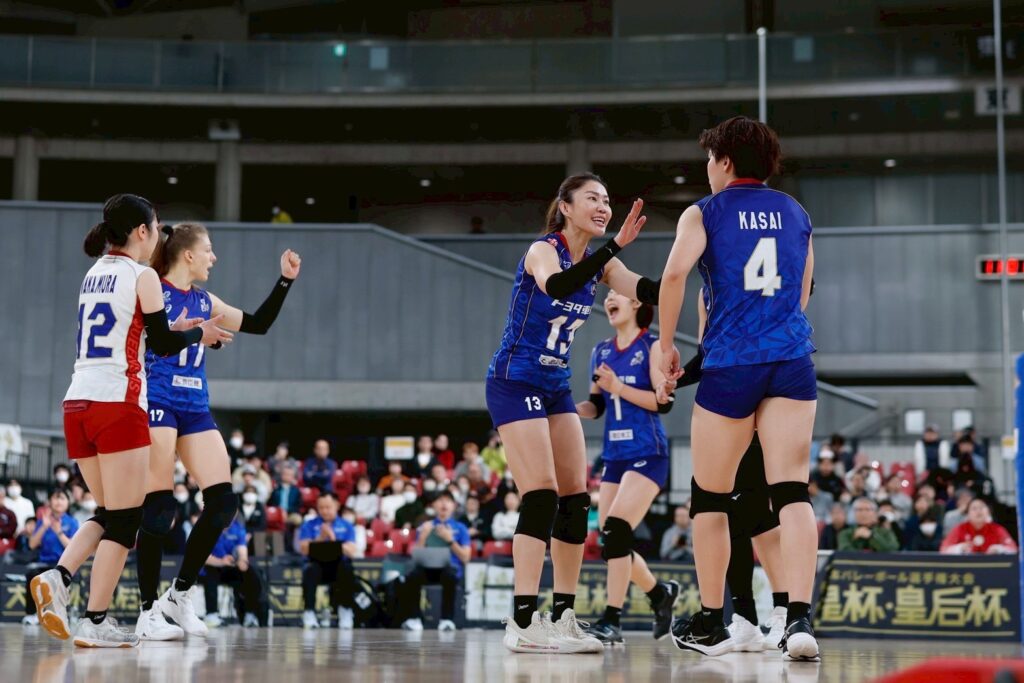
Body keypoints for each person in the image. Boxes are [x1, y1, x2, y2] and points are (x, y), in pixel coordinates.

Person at [31, 195, 229, 648]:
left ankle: (60, 577)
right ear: (142, 231)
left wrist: (182, 331)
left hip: (77, 402)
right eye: (156, 227)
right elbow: (160, 343)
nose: (159, 235)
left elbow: (144, 333)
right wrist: (200, 333)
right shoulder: (144, 276)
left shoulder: (94, 272)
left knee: (110, 514)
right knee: (127, 520)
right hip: (118, 404)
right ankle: (94, 619)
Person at [657, 117, 820, 660]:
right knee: (791, 492)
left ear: (725, 160)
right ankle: (798, 621)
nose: (708, 168)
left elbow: (674, 276)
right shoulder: (796, 212)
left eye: (710, 159)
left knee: (709, 497)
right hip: (791, 359)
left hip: (732, 363)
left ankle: (712, 620)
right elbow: (802, 292)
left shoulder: (704, 211)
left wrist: (665, 346)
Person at [486, 172, 657, 654]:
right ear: (565, 206)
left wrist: (702, 273)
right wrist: (614, 246)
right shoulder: (544, 250)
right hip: (515, 380)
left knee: (576, 501)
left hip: (555, 384)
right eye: (592, 199)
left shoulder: (603, 265)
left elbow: (645, 289)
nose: (603, 207)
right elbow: (558, 286)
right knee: (541, 495)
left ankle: (563, 616)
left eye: (607, 200)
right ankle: (522, 620)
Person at [112, 221, 297, 641]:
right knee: (159, 510)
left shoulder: (205, 300)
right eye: (208, 249)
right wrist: (193, 333)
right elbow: (146, 341)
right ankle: (147, 612)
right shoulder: (152, 289)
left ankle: (179, 594)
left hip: (195, 405)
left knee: (223, 504)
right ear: (188, 254)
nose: (214, 257)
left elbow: (258, 323)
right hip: (157, 400)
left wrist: (285, 280)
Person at [575, 289, 680, 645]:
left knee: (618, 529)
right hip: (615, 455)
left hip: (648, 451)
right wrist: (565, 408)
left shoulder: (651, 346)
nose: (608, 299)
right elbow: (596, 406)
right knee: (612, 540)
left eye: (616, 293)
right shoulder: (600, 351)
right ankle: (659, 595)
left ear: (636, 303)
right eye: (606, 295)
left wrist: (618, 386)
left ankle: (612, 621)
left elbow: (662, 402)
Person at [400, 491, 471, 632]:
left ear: (454, 506)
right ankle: (414, 619)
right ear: (434, 505)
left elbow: (466, 557)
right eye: (440, 500)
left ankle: (447, 620)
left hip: (450, 569)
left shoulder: (461, 528)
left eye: (448, 501)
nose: (444, 504)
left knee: (449, 576)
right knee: (412, 575)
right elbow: (416, 555)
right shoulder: (426, 526)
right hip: (428, 568)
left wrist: (450, 540)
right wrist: (423, 536)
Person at [297, 492, 358, 629]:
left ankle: (345, 611)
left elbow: (351, 551)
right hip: (317, 566)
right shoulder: (309, 525)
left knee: (347, 569)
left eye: (328, 507)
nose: (324, 511)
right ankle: (309, 612)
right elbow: (304, 549)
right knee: (309, 570)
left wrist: (332, 538)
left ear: (337, 506)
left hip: (338, 567)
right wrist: (320, 537)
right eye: (321, 507)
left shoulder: (347, 525)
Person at [23, 490, 79, 625]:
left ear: (68, 503)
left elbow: (73, 547)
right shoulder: (43, 521)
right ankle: (32, 614)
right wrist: (44, 526)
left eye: (62, 498)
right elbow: (32, 544)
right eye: (55, 498)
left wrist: (59, 532)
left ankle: (64, 614)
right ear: (49, 502)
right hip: (44, 563)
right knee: (32, 574)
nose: (58, 501)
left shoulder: (72, 522)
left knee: (64, 577)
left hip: (64, 564)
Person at [200, 511, 262, 628]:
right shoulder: (206, 527)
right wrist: (220, 562)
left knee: (250, 573)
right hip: (210, 565)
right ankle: (211, 614)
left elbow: (242, 551)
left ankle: (249, 613)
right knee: (210, 573)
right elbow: (202, 556)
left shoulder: (238, 529)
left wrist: (242, 561)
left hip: (229, 566)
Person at [940, 498, 1017, 555]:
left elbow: (1013, 549)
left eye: (981, 507)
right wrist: (959, 548)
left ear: (988, 512)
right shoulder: (959, 529)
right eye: (974, 508)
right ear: (968, 514)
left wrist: (999, 549)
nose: (978, 511)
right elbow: (943, 550)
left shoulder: (997, 529)